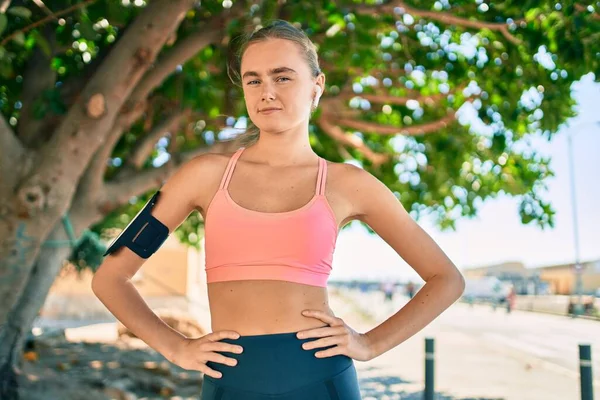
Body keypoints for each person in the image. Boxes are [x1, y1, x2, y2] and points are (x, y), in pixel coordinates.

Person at [91, 20, 465, 400]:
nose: (266, 92)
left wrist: (370, 344)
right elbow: (110, 278)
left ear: (316, 87)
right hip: (229, 382)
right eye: (253, 80)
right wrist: (176, 347)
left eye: (282, 77)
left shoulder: (348, 183)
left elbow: (446, 278)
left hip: (321, 379)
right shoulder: (202, 176)